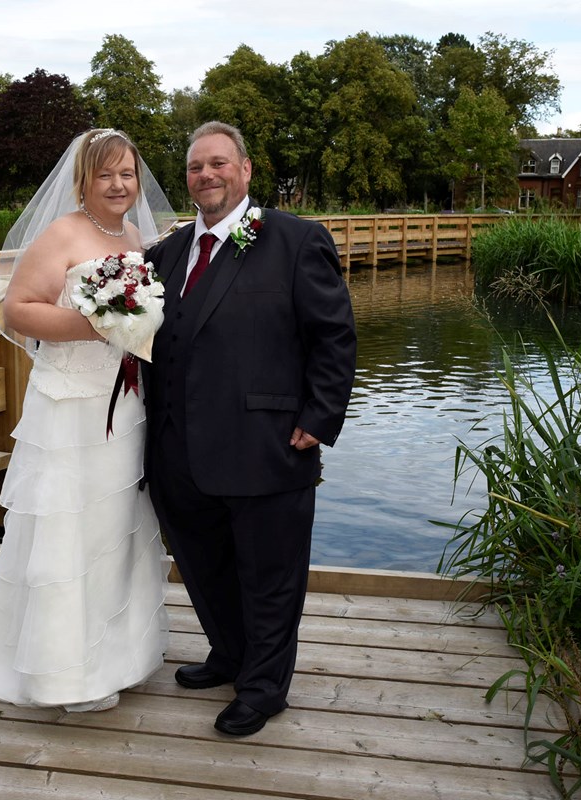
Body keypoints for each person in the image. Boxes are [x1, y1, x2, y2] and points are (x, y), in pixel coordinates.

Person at [143, 121, 357, 736]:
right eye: (194, 167)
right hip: (179, 448)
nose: (205, 175)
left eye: (217, 163)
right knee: (204, 566)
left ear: (246, 169)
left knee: (269, 576)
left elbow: (334, 336)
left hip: (267, 443)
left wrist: (320, 418)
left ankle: (264, 688)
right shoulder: (170, 251)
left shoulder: (294, 240)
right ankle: (230, 654)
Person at [0, 129, 176, 713]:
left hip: (123, 405)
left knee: (114, 528)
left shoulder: (134, 235)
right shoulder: (62, 234)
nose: (119, 184)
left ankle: (114, 656)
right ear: (83, 180)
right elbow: (18, 310)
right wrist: (95, 325)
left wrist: (129, 329)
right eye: (105, 175)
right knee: (68, 531)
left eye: (127, 173)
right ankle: (62, 674)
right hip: (70, 405)